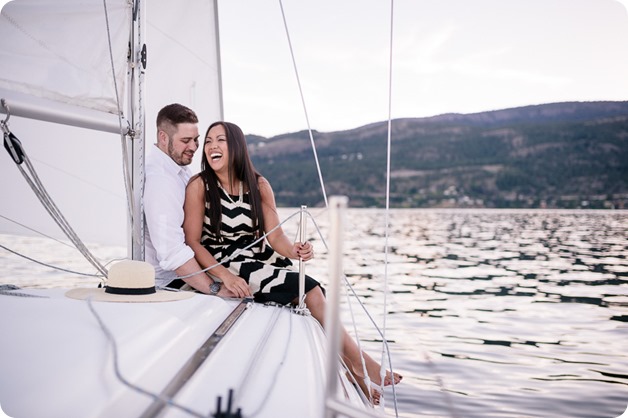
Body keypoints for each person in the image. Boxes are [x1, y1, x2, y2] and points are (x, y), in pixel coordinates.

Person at [182, 121, 402, 404]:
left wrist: (295, 250)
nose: (212, 146)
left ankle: (352, 371)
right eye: (209, 141)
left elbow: (276, 238)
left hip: (257, 255)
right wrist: (224, 276)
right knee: (308, 290)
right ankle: (360, 363)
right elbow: (193, 242)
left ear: (236, 146)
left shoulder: (258, 185)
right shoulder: (200, 185)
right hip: (222, 258)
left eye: (220, 140)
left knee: (311, 293)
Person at [143, 103, 233, 296]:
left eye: (196, 139)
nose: (193, 147)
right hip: (169, 285)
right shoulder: (161, 180)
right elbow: (172, 253)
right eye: (185, 140)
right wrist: (214, 288)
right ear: (163, 137)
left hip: (192, 273)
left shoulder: (178, 169)